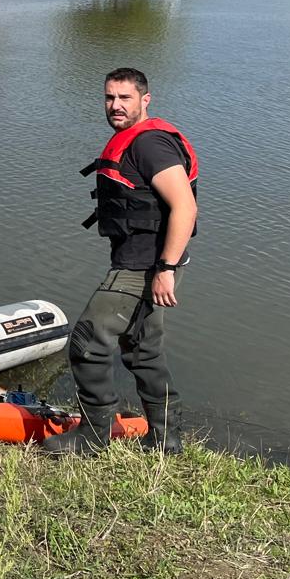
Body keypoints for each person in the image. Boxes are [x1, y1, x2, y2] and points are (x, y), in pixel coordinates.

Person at [44, 67, 198, 457]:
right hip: (149, 263)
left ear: (145, 100)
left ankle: (93, 437)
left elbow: (185, 206)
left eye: (124, 98)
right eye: (109, 98)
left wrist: (164, 270)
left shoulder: (150, 146)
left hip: (144, 267)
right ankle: (166, 438)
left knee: (87, 343)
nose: (115, 106)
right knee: (142, 349)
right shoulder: (136, 140)